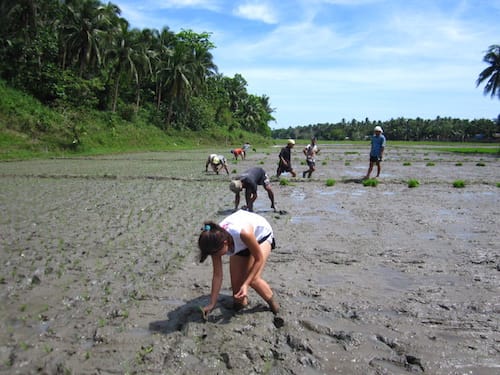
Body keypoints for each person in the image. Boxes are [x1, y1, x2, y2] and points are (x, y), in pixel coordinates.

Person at [198, 209, 280, 318]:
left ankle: (275, 308)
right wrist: (212, 303)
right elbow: (217, 275)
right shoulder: (214, 242)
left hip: (260, 236)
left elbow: (258, 259)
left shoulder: (243, 233)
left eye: (217, 253)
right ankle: (241, 308)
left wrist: (246, 284)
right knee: (237, 295)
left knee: (253, 279)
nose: (216, 256)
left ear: (225, 243)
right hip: (239, 243)